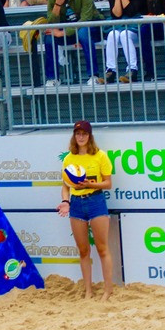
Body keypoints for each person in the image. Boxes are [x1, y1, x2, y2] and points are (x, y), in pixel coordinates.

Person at [58, 119, 114, 300]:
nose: (81, 136)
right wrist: (65, 201)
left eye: (84, 133)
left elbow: (108, 183)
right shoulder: (69, 158)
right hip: (77, 204)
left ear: (90, 136)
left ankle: (107, 290)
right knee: (83, 250)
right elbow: (65, 185)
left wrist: (90, 184)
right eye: (78, 133)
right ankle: (88, 290)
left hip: (96, 200)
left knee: (102, 248)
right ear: (74, 136)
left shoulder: (100, 156)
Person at [37, 0, 102, 87]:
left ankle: (93, 75)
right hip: (70, 32)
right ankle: (52, 78)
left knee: (83, 31)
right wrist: (57, 4)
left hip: (92, 28)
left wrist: (62, 33)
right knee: (49, 36)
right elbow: (51, 24)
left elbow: (85, 20)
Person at [105, 0, 147, 83]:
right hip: (120, 24)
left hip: (136, 25)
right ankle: (110, 70)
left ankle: (132, 70)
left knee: (124, 34)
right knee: (112, 34)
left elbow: (131, 11)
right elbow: (116, 15)